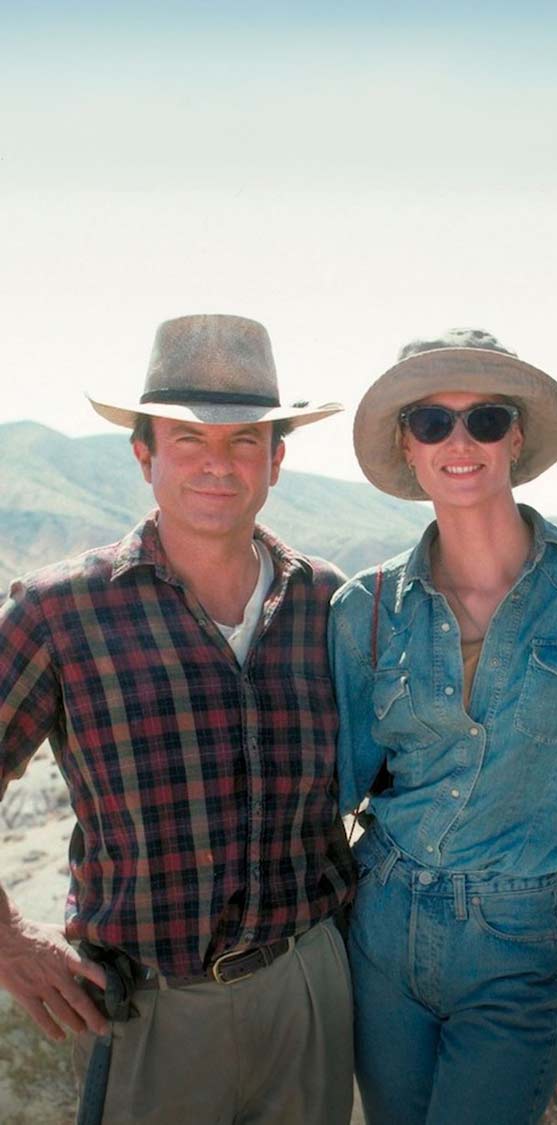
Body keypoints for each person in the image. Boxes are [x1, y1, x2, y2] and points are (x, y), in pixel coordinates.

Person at [0, 314, 355, 1124]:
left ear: (278, 458)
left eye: (242, 442)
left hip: (309, 989)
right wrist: (10, 940)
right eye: (188, 441)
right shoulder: (60, 611)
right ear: (143, 455)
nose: (216, 465)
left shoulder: (330, 602)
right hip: (152, 1011)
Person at [328, 328, 557, 1125]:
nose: (460, 441)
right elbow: (337, 782)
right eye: (432, 422)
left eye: (485, 419)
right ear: (409, 446)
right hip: (381, 920)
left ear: (516, 436)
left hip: (516, 938)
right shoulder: (363, 609)